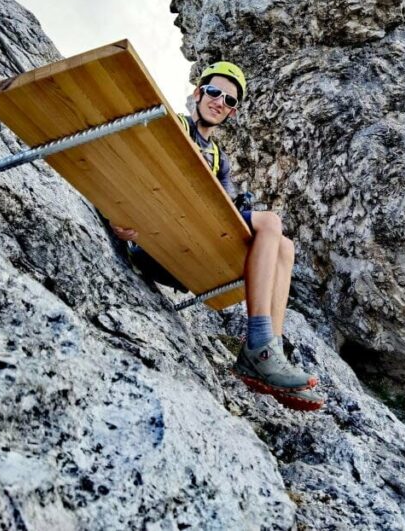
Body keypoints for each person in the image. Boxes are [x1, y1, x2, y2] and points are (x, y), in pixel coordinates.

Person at [111, 62, 324, 411]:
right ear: (198, 93)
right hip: (155, 240)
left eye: (229, 100)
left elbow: (221, 210)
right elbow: (131, 165)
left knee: (284, 246)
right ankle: (259, 345)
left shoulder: (217, 160)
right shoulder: (173, 126)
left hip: (190, 244)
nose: (220, 102)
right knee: (270, 223)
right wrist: (117, 213)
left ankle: (272, 351)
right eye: (214, 92)